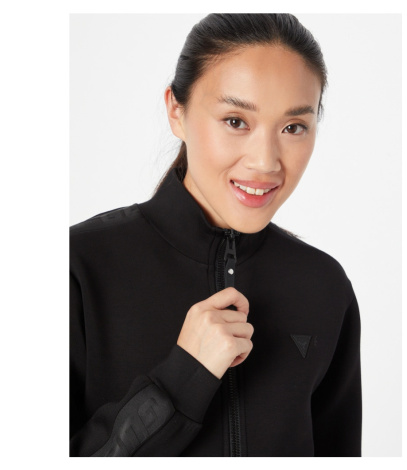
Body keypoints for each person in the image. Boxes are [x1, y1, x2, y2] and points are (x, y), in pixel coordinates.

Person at [70, 13, 362, 457]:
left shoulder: (324, 286)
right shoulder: (79, 266)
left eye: (293, 127)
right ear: (176, 111)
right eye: (235, 121)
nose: (265, 162)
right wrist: (184, 376)